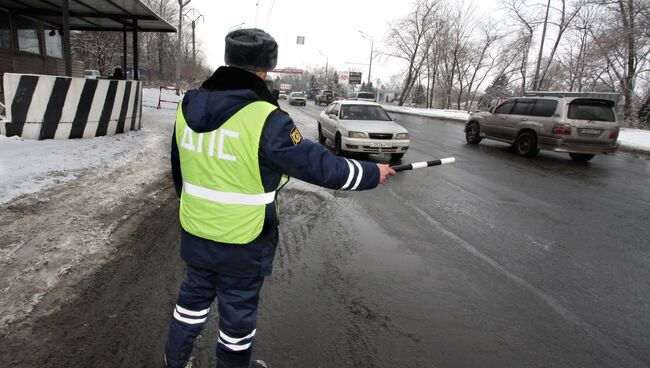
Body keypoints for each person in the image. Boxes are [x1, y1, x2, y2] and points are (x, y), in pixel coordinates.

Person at [164, 28, 395, 368]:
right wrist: (372, 173)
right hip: (244, 239)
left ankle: (175, 361)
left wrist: (197, 208)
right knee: (237, 319)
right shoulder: (266, 118)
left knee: (190, 303)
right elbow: (320, 167)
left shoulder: (187, 106)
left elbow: (178, 168)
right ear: (264, 70)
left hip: (196, 231)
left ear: (228, 60)